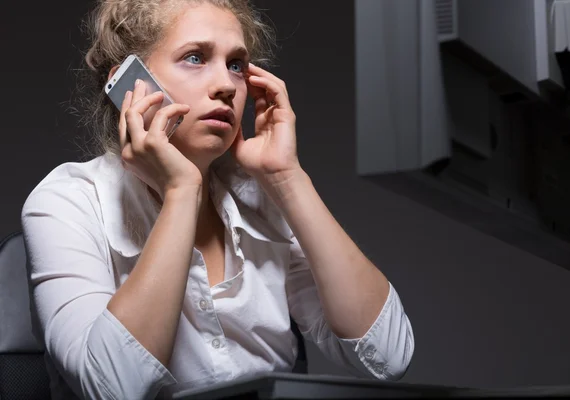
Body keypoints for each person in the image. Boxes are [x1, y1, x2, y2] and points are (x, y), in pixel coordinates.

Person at [21, 0, 414, 398]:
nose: (227, 85)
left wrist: (287, 178)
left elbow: (388, 355)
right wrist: (180, 193)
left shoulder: (260, 198)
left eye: (237, 65)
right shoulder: (66, 202)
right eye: (195, 57)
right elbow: (112, 388)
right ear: (129, 83)